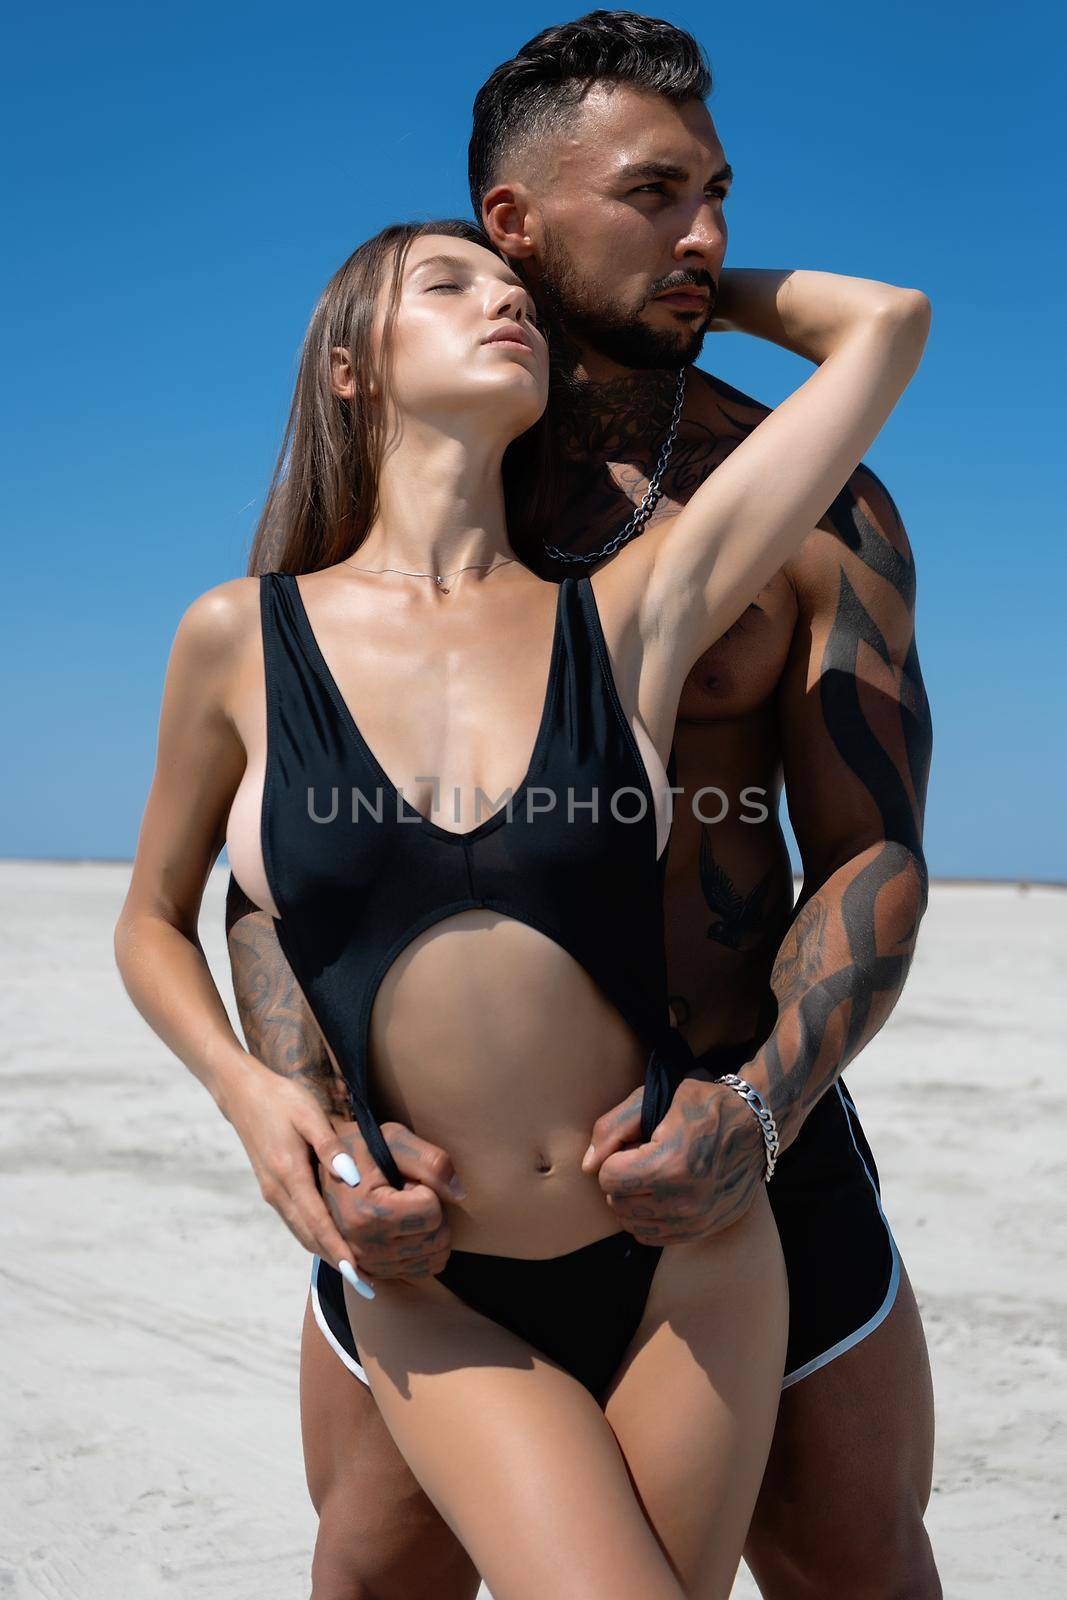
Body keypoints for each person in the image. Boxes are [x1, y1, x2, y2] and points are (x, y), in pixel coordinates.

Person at [114, 199, 928, 1599]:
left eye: (516, 296)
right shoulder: (240, 639)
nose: (501, 308)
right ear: (348, 366)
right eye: (449, 286)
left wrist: (669, 289)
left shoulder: (635, 611)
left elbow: (886, 327)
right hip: (433, 1276)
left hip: (688, 1259)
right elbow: (154, 919)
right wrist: (264, 1109)